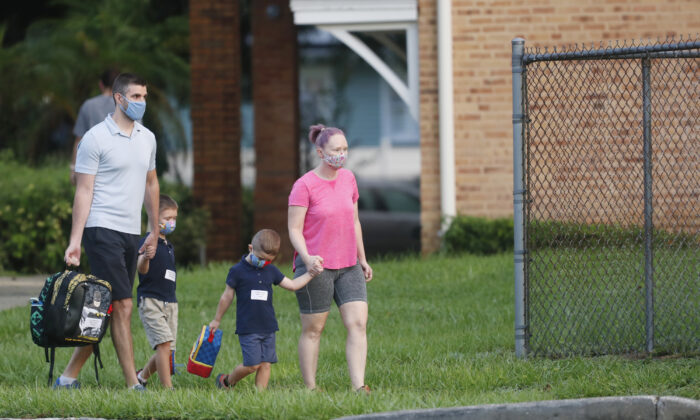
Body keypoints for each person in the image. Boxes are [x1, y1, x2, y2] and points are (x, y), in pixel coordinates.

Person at [60, 73, 159, 390]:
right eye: (136, 97)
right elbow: (84, 191)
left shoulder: (147, 138)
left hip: (131, 231)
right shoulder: (95, 138)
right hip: (101, 228)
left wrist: (153, 230)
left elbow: (151, 183)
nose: (141, 103)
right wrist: (75, 241)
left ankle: (67, 377)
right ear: (119, 98)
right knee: (124, 305)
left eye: (144, 97)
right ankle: (134, 384)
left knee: (104, 306)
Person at [287, 124, 373, 394]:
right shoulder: (304, 186)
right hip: (316, 267)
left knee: (358, 323)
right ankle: (311, 388)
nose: (341, 154)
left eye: (345, 149)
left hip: (348, 265)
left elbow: (355, 220)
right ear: (320, 152)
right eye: (336, 149)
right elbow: (294, 229)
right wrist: (307, 258)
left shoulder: (349, 179)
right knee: (314, 329)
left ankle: (359, 386)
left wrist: (362, 258)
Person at [208, 229, 322, 391]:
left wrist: (311, 274)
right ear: (250, 248)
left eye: (268, 260)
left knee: (265, 364)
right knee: (252, 364)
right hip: (248, 327)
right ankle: (226, 381)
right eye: (261, 258)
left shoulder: (271, 270)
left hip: (268, 326)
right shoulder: (237, 271)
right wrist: (217, 319)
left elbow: (292, 285)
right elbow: (227, 296)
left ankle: (260, 397)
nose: (263, 263)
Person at [135, 194, 179, 390]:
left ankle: (142, 377)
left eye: (174, 219)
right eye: (167, 218)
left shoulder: (169, 246)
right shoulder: (148, 241)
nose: (171, 223)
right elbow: (141, 270)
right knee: (163, 344)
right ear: (154, 218)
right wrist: (145, 257)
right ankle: (167, 389)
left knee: (166, 347)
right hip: (151, 300)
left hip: (170, 301)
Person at [70, 69, 121, 185]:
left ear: (101, 85)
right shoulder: (128, 106)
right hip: (120, 171)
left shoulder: (88, 105)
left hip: (92, 170)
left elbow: (79, 140)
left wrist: (73, 168)